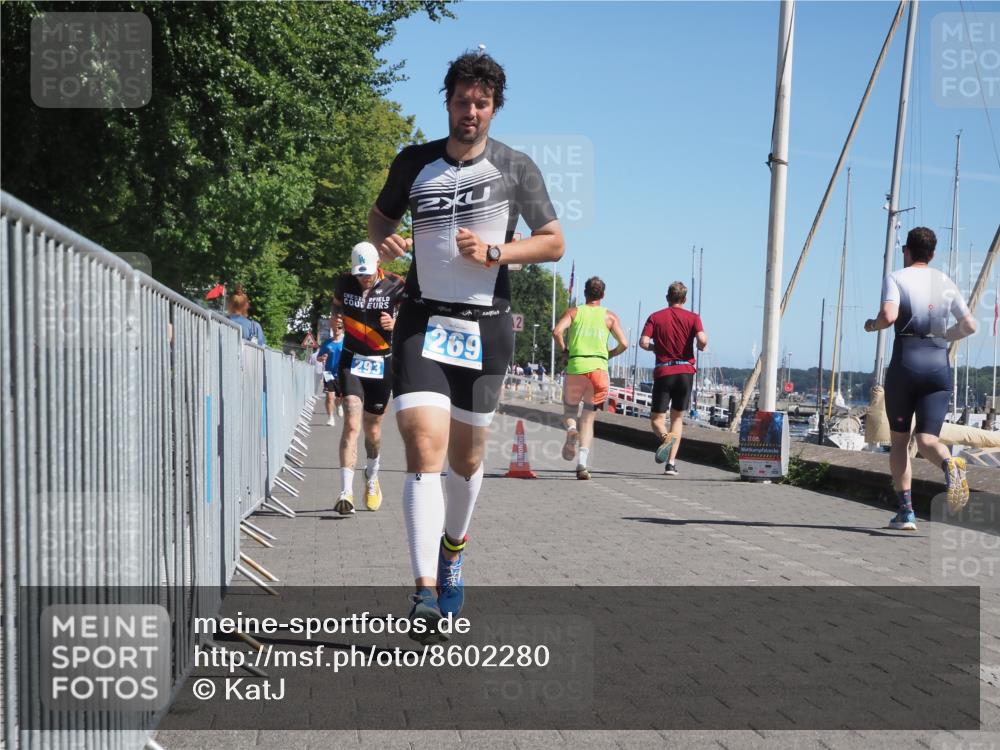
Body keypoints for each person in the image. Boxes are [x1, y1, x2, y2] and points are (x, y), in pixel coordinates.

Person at [368, 50, 564, 642]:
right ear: (447, 102)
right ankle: (426, 588)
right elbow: (378, 220)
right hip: (422, 320)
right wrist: (389, 241)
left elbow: (553, 243)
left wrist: (497, 253)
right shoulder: (414, 162)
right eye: (461, 101)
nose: (470, 112)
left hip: (486, 326)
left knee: (468, 458)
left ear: (494, 108)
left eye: (481, 103)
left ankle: (454, 548)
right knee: (423, 445)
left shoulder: (516, 168)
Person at [863, 227, 975, 530]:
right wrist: (945, 335)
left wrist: (872, 325)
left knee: (900, 442)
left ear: (907, 251)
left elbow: (888, 316)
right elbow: (970, 325)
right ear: (933, 254)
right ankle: (950, 465)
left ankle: (906, 513)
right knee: (927, 440)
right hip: (939, 366)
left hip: (906, 364)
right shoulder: (946, 282)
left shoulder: (897, 277)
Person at [331, 242, 405, 515]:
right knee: (351, 423)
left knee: (372, 431)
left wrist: (396, 324)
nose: (363, 279)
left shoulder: (396, 284)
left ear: (378, 266)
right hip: (352, 359)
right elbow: (336, 305)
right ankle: (345, 492)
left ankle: (372, 477)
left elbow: (414, 316)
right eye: (359, 273)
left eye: (368, 273)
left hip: (381, 362)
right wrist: (335, 318)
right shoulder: (344, 282)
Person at [552, 276, 629, 480]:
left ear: (585, 293)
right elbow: (624, 343)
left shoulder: (575, 312)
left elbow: (557, 331)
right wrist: (609, 354)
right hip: (599, 371)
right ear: (602, 295)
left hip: (577, 366)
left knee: (569, 411)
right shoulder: (609, 317)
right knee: (588, 419)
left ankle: (570, 429)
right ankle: (582, 465)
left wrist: (565, 350)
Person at [640, 281, 707, 476]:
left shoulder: (655, 317)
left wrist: (656, 348)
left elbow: (643, 342)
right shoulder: (694, 318)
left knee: (657, 419)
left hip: (664, 372)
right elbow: (702, 340)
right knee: (677, 418)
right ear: (684, 299)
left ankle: (665, 438)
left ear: (667, 297)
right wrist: (700, 346)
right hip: (686, 372)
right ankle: (671, 464)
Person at [316, 316, 346, 427]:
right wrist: (322, 358)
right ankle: (330, 417)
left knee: (340, 397)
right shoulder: (327, 343)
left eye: (339, 327)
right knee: (330, 396)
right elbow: (318, 358)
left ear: (342, 329)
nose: (336, 330)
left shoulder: (346, 342)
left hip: (342, 374)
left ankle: (339, 405)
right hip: (328, 373)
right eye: (334, 328)